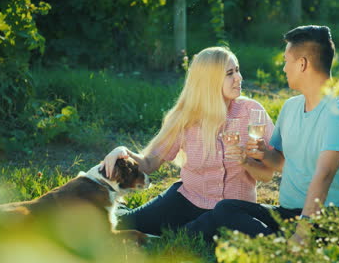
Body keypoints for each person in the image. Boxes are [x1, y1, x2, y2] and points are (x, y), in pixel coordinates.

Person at [183, 25, 339, 244]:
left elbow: (323, 177)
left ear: (302, 64)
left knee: (227, 218)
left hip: (334, 221)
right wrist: (261, 154)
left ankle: (286, 250)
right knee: (226, 208)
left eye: (286, 61)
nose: (284, 68)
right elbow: (280, 162)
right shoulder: (290, 108)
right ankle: (169, 239)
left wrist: (303, 233)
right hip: (289, 215)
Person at [100, 46, 275, 236]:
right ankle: (103, 205)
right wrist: (122, 151)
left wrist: (245, 161)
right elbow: (150, 163)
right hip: (188, 200)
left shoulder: (251, 111)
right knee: (120, 224)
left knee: (186, 240)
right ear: (210, 81)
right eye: (230, 73)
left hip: (233, 211)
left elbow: (267, 175)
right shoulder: (185, 118)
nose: (239, 78)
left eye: (238, 70)